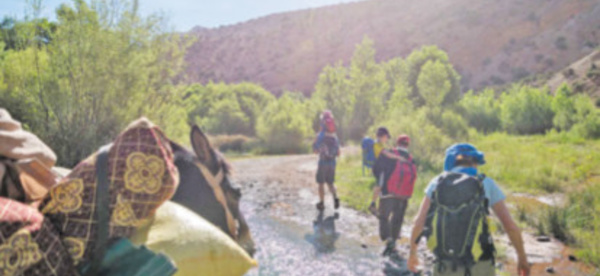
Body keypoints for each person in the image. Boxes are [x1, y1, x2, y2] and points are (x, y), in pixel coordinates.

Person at [408, 143, 530, 276]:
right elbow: (510, 226)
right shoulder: (485, 183)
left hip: (445, 264)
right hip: (479, 264)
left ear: (450, 161)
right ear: (475, 162)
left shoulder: (436, 183)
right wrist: (522, 257)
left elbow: (418, 222)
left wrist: (413, 253)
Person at [373, 135, 417, 256]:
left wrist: (379, 185)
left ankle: (388, 240)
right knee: (397, 219)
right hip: (404, 196)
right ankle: (394, 242)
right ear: (407, 145)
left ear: (397, 143)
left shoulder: (390, 153)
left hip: (388, 193)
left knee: (383, 216)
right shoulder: (411, 159)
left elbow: (377, 168)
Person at [313, 111, 341, 210]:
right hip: (332, 163)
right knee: (330, 183)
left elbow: (315, 151)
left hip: (323, 162)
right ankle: (336, 198)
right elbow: (338, 153)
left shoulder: (320, 135)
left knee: (321, 183)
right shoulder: (335, 136)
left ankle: (321, 203)